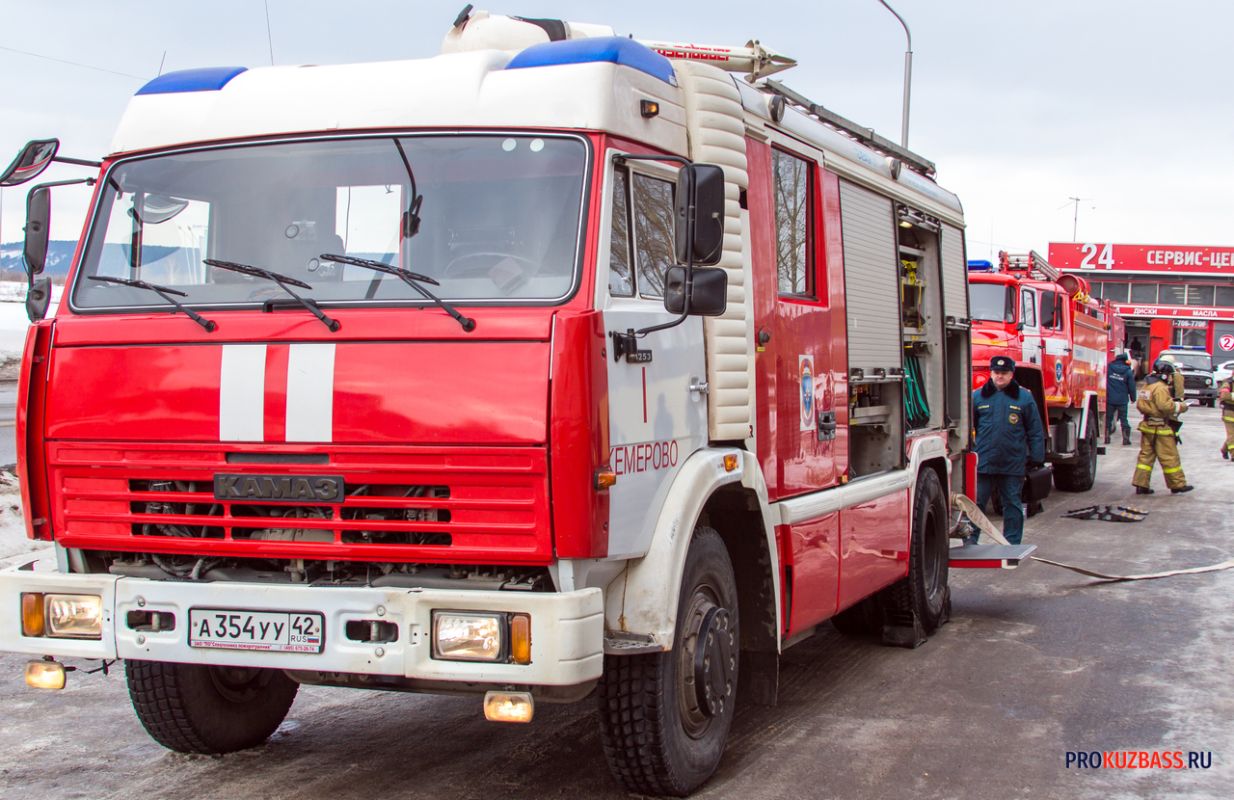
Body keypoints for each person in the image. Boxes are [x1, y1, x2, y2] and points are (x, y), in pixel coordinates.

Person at [966, 356, 1045, 546]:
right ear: (991, 373)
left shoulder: (1024, 398)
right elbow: (967, 428)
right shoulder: (978, 397)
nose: (1000, 376)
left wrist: (1036, 457)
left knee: (1012, 504)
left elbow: (1035, 430)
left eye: (1004, 373)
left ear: (1011, 374)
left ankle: (1012, 544)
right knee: (976, 505)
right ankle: (970, 542)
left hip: (1012, 463)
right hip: (984, 462)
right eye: (996, 372)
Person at [1132, 360, 1192, 494]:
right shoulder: (1161, 388)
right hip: (1160, 429)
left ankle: (1141, 485)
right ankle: (1177, 485)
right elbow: (1165, 406)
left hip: (1147, 426)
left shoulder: (1147, 386)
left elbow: (1140, 405)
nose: (1171, 378)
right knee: (1170, 457)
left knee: (1145, 457)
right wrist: (1181, 406)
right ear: (1164, 375)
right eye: (1170, 375)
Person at [1105, 352, 1136, 445]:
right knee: (1124, 419)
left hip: (1110, 399)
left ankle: (1107, 437)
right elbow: (1131, 386)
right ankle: (1125, 438)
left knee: (1108, 418)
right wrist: (1133, 398)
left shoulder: (1109, 368)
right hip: (1122, 400)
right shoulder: (1128, 371)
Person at [1219, 374, 1234, 460]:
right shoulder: (1228, 383)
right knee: (1232, 435)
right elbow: (1224, 395)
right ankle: (1233, 454)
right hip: (1229, 413)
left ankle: (1224, 449)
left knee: (1232, 435)